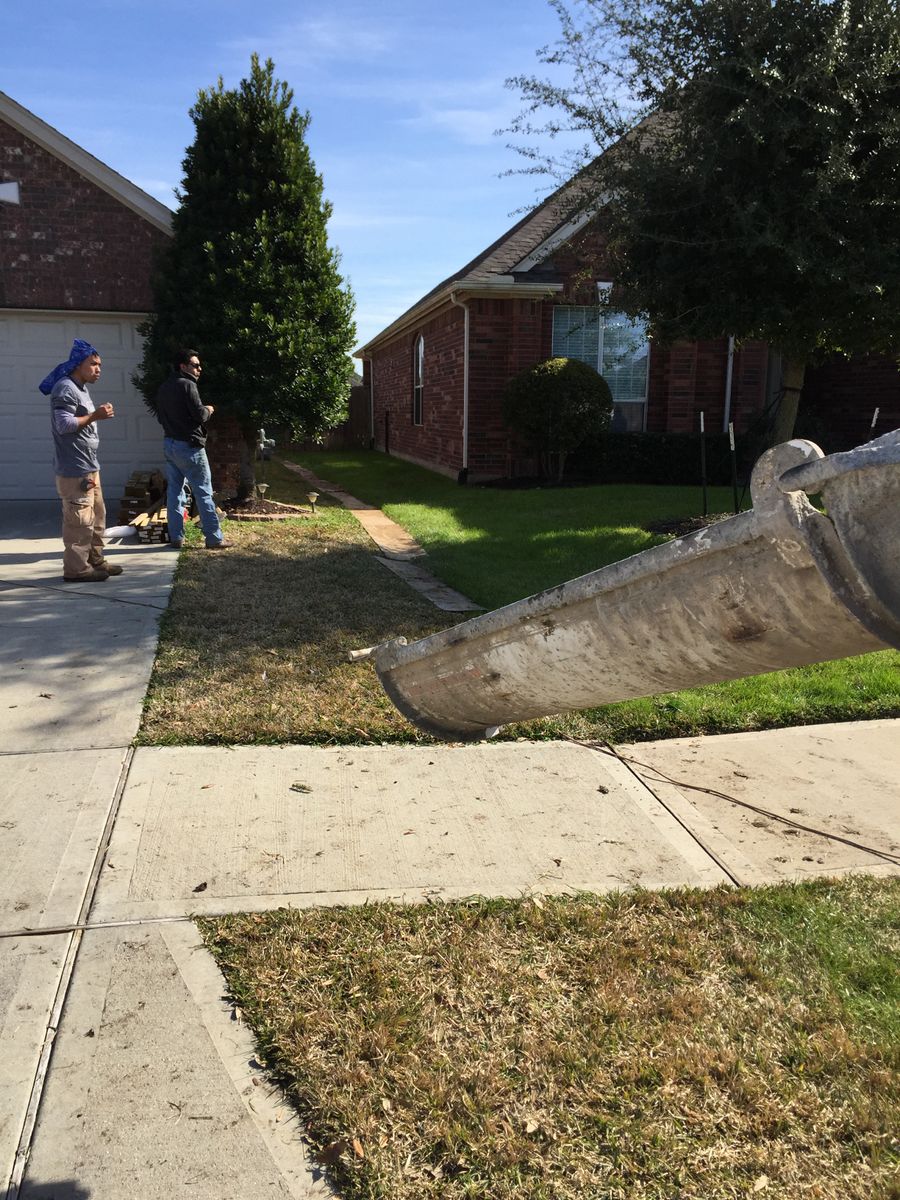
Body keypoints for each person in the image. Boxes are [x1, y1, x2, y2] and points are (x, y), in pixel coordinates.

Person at [40, 338, 124, 583]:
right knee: (79, 522)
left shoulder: (80, 388)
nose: (98, 369)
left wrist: (94, 415)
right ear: (78, 364)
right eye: (94, 364)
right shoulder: (65, 388)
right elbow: (63, 425)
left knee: (97, 517)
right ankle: (77, 570)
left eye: (100, 365)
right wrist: (95, 415)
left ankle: (95, 560)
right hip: (74, 470)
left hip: (89, 467)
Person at [152, 348, 233, 549]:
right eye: (195, 365)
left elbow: (161, 417)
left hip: (170, 444)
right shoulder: (187, 385)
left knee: (174, 492)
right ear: (183, 366)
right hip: (189, 447)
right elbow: (199, 415)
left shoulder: (164, 387)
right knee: (203, 492)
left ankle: (176, 538)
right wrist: (208, 410)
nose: (199, 369)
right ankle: (214, 538)